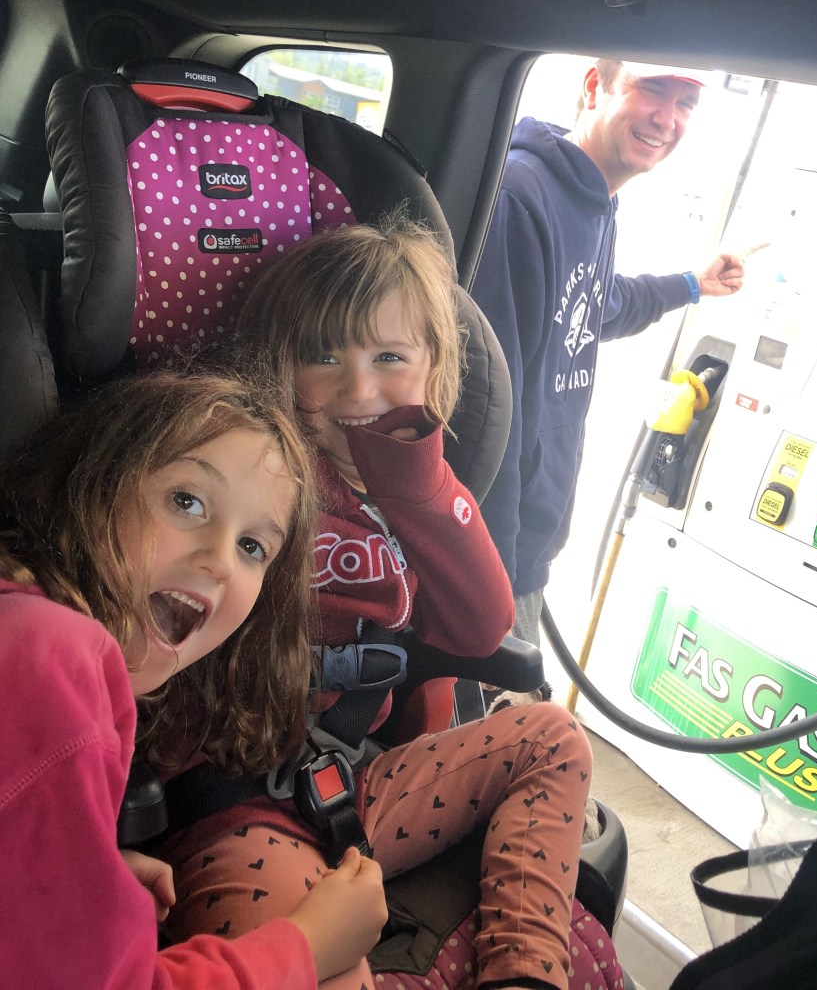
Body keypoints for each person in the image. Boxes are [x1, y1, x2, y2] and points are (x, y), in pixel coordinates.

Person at [156, 215, 596, 990]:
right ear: (280, 365)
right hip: (231, 798)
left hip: (359, 778)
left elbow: (481, 627)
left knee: (554, 736)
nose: (358, 390)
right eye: (323, 357)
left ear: (433, 368)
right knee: (319, 962)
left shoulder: (418, 493)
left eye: (389, 357)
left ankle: (523, 972)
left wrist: (420, 489)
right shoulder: (253, 469)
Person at [0, 367, 388, 990]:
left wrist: (80, 874)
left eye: (253, 547)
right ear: (93, 478)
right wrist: (306, 948)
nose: (220, 560)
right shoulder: (51, 661)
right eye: (187, 502)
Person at [471, 59, 756, 645]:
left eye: (685, 104)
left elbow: (594, 306)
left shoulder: (595, 201)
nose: (666, 118)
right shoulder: (522, 195)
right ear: (594, 87)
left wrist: (692, 284)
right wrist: (494, 572)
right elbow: (490, 396)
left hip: (529, 542)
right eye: (651, 90)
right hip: (496, 556)